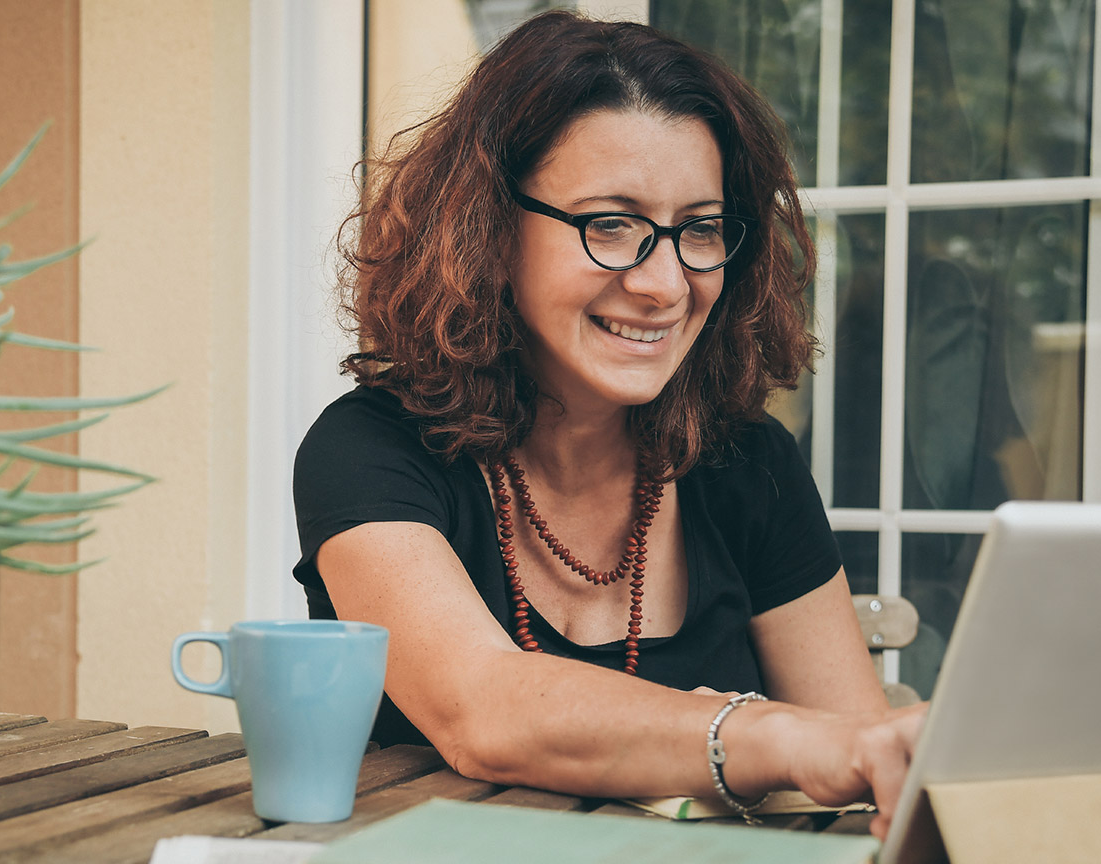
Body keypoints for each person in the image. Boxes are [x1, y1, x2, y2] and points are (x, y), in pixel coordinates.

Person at [293, 10, 924, 839]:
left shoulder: (750, 463)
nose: (665, 284)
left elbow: (862, 752)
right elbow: (482, 709)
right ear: (487, 227)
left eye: (699, 229)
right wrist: (766, 731)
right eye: (612, 224)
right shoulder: (368, 450)